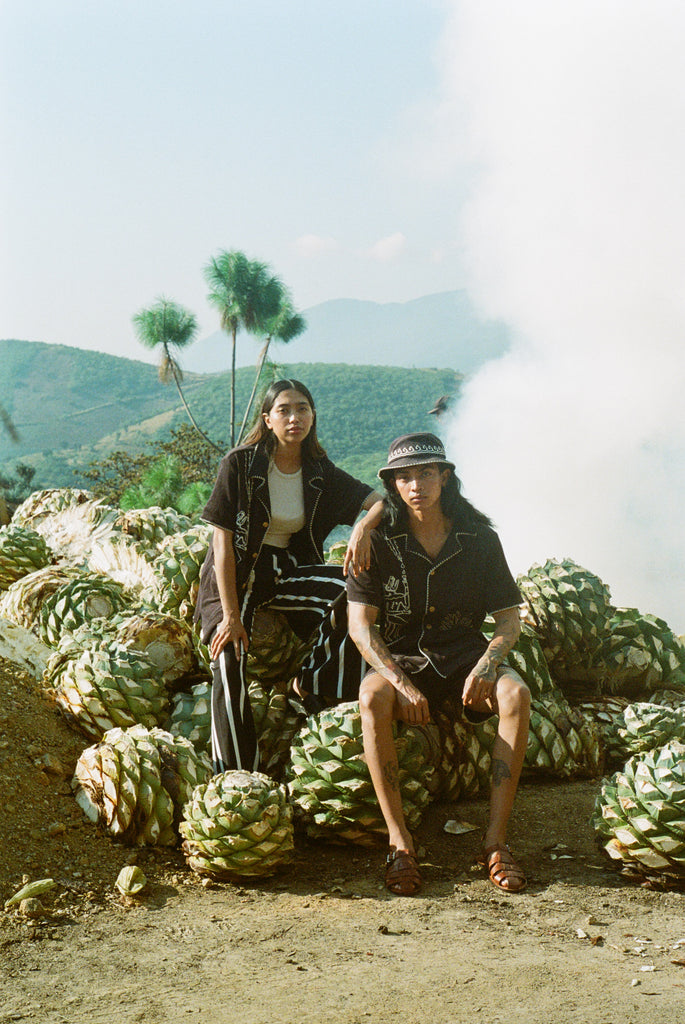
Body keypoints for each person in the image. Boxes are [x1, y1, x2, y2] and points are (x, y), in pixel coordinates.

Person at [346, 432, 530, 896]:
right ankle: (400, 843)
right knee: (371, 697)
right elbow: (361, 628)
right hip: (403, 657)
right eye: (404, 477)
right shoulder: (377, 542)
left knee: (516, 694)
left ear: (444, 477)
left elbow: (509, 621)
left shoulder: (480, 540)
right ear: (392, 485)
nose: (415, 485)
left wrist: (488, 665)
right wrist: (399, 682)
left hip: (467, 655)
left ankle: (495, 841)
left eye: (425, 473)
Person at [194, 378, 383, 774]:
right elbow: (223, 545)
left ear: (313, 417)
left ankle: (311, 686)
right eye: (284, 409)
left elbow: (382, 501)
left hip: (287, 569)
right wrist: (230, 616)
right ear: (268, 418)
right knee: (229, 658)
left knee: (353, 596)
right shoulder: (240, 465)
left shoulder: (319, 471)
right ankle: (235, 772)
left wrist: (363, 527)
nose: (294, 417)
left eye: (302, 409)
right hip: (237, 572)